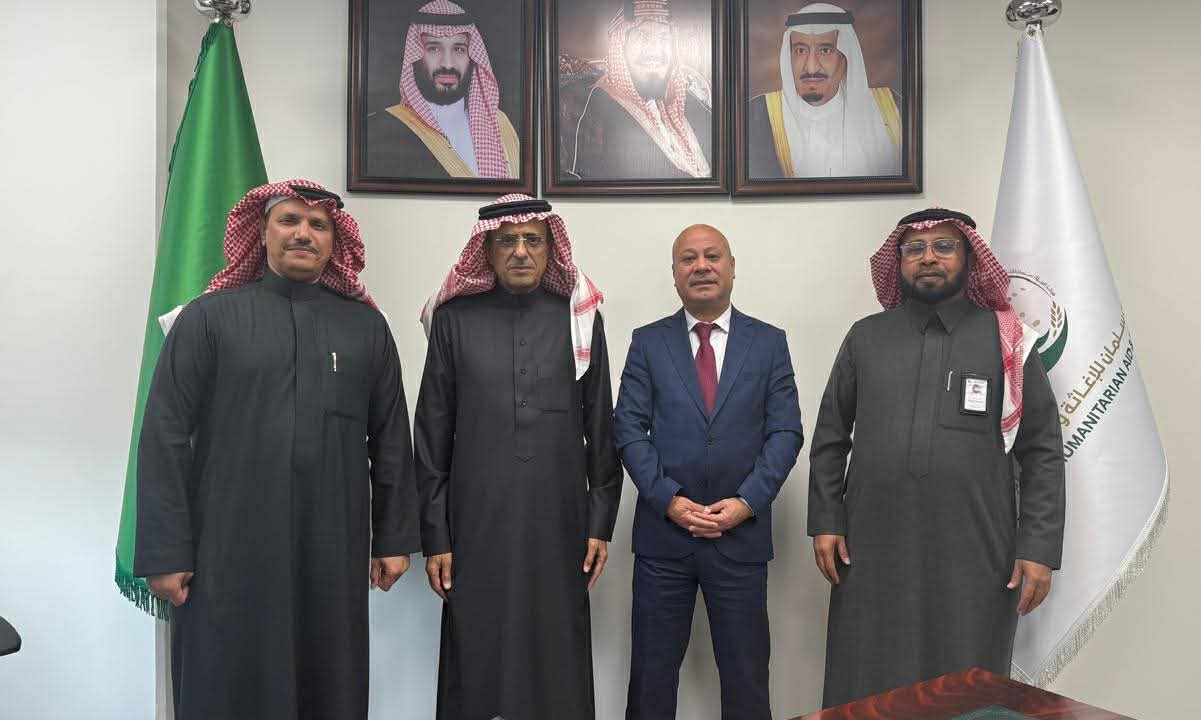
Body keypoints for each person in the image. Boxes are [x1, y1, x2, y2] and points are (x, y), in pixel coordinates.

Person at [135, 180, 418, 720]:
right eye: (289, 221)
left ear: (335, 241)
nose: (303, 234)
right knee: (225, 678)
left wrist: (393, 538)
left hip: (332, 545)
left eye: (318, 225)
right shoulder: (208, 319)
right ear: (261, 233)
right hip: (225, 547)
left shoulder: (366, 328)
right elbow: (164, 436)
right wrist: (166, 551)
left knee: (326, 680)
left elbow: (390, 438)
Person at [808, 208, 1066, 704]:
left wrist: (1037, 546)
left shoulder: (1007, 340)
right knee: (867, 675)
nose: (929, 257)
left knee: (967, 679)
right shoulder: (866, 337)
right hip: (871, 543)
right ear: (899, 261)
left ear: (969, 258)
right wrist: (826, 520)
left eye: (945, 246)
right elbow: (831, 435)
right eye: (915, 249)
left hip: (976, 547)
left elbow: (1042, 451)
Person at [416, 194, 622, 719]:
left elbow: (601, 427)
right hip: (474, 524)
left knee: (557, 651)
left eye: (533, 240)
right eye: (507, 240)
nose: (521, 251)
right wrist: (436, 536)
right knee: (476, 647)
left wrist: (600, 523)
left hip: (560, 522)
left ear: (551, 249)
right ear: (487, 251)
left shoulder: (578, 319)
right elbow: (431, 436)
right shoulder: (453, 321)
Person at [614, 224, 803, 719]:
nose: (701, 266)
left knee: (746, 679)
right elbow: (628, 430)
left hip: (740, 539)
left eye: (712, 256)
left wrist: (746, 503)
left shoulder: (769, 343)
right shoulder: (647, 342)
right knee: (651, 679)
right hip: (663, 540)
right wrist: (669, 501)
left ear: (732, 267)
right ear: (674, 273)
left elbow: (786, 433)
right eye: (688, 258)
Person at [366, 0, 519, 179]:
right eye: (433, 49)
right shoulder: (381, 128)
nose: (447, 63)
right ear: (415, 56)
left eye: (459, 49)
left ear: (472, 57)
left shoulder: (501, 125)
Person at [745, 2, 901, 179]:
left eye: (825, 50)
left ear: (846, 57)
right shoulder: (757, 115)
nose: (811, 67)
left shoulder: (891, 109)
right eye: (800, 50)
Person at [563, 0, 712, 180]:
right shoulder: (590, 109)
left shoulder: (690, 101)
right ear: (621, 46)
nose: (654, 49)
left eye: (664, 37)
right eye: (642, 35)